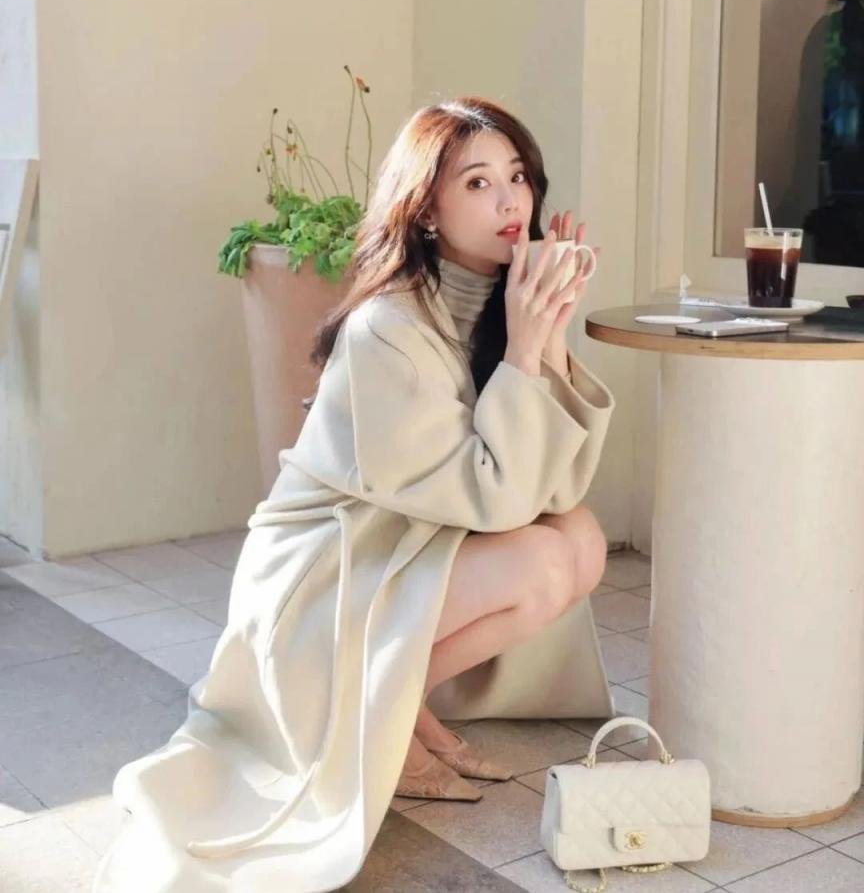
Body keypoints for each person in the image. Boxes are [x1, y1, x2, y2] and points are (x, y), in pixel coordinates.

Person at [92, 97, 615, 893]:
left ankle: (392, 708)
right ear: (427, 210)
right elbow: (500, 502)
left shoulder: (499, 305)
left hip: (403, 545)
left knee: (579, 540)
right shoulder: (387, 329)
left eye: (517, 176)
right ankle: (372, 719)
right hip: (325, 575)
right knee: (543, 560)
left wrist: (544, 336)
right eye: (477, 183)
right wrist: (527, 344)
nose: (510, 200)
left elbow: (554, 488)